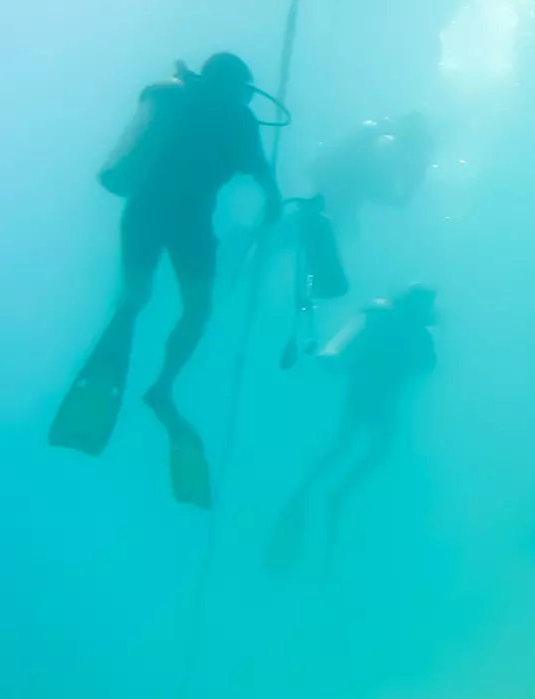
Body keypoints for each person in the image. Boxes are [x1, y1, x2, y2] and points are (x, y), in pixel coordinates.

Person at [49, 54, 282, 508]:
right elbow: (263, 179)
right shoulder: (239, 119)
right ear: (240, 87)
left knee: (133, 298)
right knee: (197, 310)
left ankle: (117, 342)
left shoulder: (178, 98)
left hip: (144, 212)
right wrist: (272, 206)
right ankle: (163, 386)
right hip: (190, 224)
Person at [266, 286, 438, 573]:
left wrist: (336, 358)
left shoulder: (387, 321)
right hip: (376, 397)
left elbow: (348, 346)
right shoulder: (398, 326)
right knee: (362, 448)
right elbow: (425, 366)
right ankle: (329, 491)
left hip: (370, 395)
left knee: (353, 447)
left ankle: (319, 489)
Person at [310, 113, 435, 236]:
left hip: (338, 194)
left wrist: (412, 181)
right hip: (334, 191)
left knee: (342, 231)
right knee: (340, 230)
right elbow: (395, 199)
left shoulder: (379, 141)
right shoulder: (371, 138)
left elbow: (397, 199)